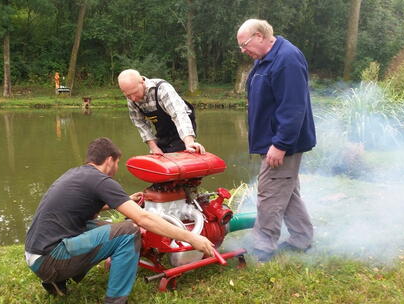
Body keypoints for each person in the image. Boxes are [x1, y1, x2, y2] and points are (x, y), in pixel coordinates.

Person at [25, 137, 215, 304]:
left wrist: (125, 201)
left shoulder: (77, 174)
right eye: (117, 163)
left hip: (37, 254)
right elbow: (143, 218)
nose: (116, 168)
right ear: (109, 160)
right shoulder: (100, 180)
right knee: (129, 230)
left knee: (105, 227)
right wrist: (191, 238)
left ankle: (56, 281)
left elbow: (82, 208)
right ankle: (115, 301)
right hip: (51, 258)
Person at [237, 19, 316, 262]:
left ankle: (262, 248)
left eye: (245, 44)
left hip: (283, 144)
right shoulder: (264, 59)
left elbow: (293, 107)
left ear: (260, 36)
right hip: (271, 141)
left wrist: (280, 144)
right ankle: (302, 238)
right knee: (287, 192)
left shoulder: (287, 59)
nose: (243, 50)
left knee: (269, 193)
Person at [117, 69, 204, 154]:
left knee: (178, 153)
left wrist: (189, 143)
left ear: (142, 82)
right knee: (161, 153)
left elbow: (179, 115)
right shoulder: (132, 99)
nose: (133, 98)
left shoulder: (162, 89)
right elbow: (140, 124)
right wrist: (154, 147)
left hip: (181, 125)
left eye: (135, 92)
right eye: (128, 95)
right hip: (162, 130)